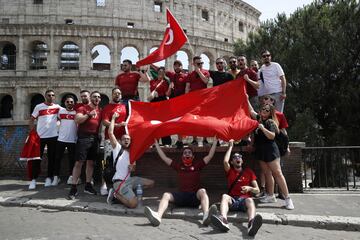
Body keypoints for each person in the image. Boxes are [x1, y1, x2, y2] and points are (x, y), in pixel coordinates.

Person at [144, 137, 218, 227]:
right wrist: (156, 144)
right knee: (166, 195)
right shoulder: (178, 165)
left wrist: (215, 142)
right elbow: (164, 158)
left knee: (202, 191)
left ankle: (206, 215)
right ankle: (158, 216)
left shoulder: (197, 164)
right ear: (182, 156)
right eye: (185, 152)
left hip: (194, 197)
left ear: (193, 156)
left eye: (189, 152)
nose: (187, 154)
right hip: (181, 196)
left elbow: (210, 156)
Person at [210, 140, 262, 237]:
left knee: (250, 200)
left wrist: (249, 188)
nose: (237, 158)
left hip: (244, 201)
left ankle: (251, 223)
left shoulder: (249, 172)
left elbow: (257, 190)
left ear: (242, 161)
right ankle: (224, 220)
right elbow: (225, 161)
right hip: (233, 200)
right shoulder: (230, 171)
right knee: (225, 196)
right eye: (235, 157)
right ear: (232, 161)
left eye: (239, 157)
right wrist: (230, 146)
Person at [106, 112, 154, 208]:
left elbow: (133, 169)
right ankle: (115, 194)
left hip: (130, 181)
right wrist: (113, 119)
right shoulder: (117, 148)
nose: (127, 140)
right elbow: (110, 133)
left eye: (128, 139)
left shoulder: (133, 154)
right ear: (120, 141)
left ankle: (130, 193)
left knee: (151, 183)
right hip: (119, 182)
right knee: (133, 204)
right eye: (124, 139)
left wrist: (132, 168)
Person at [254, 103, 294, 210]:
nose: (264, 111)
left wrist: (262, 128)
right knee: (267, 173)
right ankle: (270, 196)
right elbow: (251, 111)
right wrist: (245, 96)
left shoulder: (271, 122)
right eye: (263, 109)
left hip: (271, 150)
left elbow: (272, 136)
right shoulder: (259, 119)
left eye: (267, 110)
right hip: (261, 150)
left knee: (278, 173)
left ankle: (288, 199)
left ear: (270, 112)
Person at [68, 91, 102, 199]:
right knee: (79, 162)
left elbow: (99, 125)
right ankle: (73, 188)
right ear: (90, 98)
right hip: (84, 137)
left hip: (95, 138)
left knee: (91, 163)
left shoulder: (100, 110)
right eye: (94, 97)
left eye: (98, 97)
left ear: (100, 99)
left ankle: (88, 185)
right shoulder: (83, 108)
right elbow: (77, 120)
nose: (96, 98)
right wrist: (88, 114)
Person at [28, 90, 60, 190]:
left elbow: (65, 115)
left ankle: (49, 178)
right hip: (40, 137)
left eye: (52, 95)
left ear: (54, 97)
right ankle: (33, 179)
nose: (51, 96)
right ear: (45, 96)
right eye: (49, 95)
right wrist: (32, 133)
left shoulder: (58, 108)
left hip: (53, 137)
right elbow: (32, 119)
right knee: (37, 159)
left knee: (52, 159)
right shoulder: (39, 106)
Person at [152, 60, 188, 148]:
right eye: (175, 66)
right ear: (174, 67)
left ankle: (180, 141)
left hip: (181, 101)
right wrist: (150, 63)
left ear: (182, 67)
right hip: (171, 101)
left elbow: (187, 88)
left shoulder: (185, 76)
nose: (177, 67)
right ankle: (167, 141)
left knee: (180, 122)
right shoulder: (171, 75)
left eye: (179, 65)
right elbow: (160, 69)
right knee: (169, 121)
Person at [100, 87, 127, 195]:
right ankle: (104, 185)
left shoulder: (125, 107)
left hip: (123, 139)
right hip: (109, 139)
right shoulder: (107, 107)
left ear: (121, 95)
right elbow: (105, 122)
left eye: (119, 93)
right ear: (112, 95)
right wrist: (117, 125)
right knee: (106, 162)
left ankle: (121, 185)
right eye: (115, 93)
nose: (117, 95)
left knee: (122, 162)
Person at [185, 56, 210, 146]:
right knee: (193, 120)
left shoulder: (206, 72)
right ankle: (194, 140)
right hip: (193, 100)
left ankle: (205, 139)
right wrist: (185, 99)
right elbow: (187, 87)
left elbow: (205, 81)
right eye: (198, 64)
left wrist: (199, 71)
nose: (200, 65)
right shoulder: (190, 74)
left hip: (203, 100)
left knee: (204, 120)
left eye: (201, 63)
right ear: (193, 64)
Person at [53, 95, 77, 186]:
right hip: (61, 139)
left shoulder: (76, 112)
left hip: (72, 140)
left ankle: (71, 177)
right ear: (64, 103)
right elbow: (57, 120)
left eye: (71, 102)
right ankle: (56, 177)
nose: (70, 103)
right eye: (68, 102)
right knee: (57, 159)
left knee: (72, 160)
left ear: (74, 103)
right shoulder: (60, 111)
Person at [148, 67, 172, 146]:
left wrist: (170, 88)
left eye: (162, 72)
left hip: (162, 101)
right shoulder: (153, 81)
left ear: (164, 73)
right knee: (154, 123)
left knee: (164, 122)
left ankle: (166, 142)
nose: (160, 73)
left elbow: (166, 94)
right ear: (157, 73)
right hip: (154, 102)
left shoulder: (165, 82)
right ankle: (155, 142)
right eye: (159, 71)